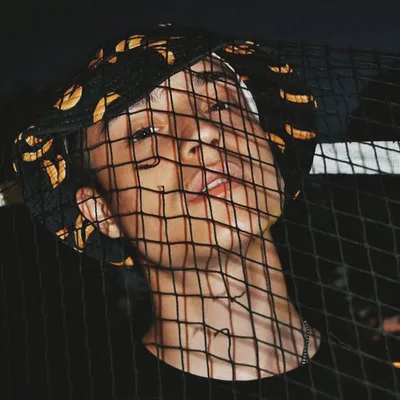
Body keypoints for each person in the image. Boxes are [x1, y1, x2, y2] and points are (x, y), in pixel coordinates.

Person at [12, 24, 398, 400]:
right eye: (143, 133)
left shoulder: (383, 380)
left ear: (270, 152)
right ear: (102, 212)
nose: (203, 130)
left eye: (220, 103)